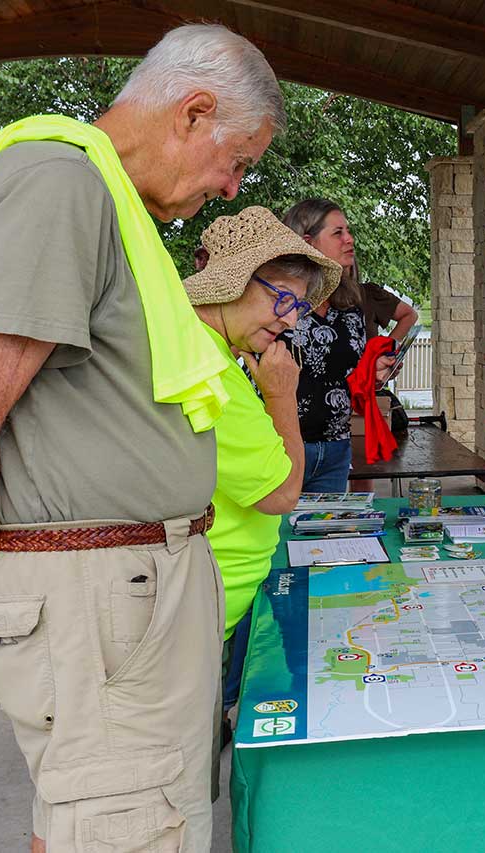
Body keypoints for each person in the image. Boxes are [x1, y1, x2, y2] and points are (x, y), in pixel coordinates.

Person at [0, 24, 286, 853]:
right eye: (237, 160)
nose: (228, 186)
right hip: (108, 591)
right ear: (193, 112)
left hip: (124, 585)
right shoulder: (62, 185)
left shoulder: (96, 196)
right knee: (124, 828)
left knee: (121, 820)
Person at [184, 206, 340, 741]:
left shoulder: (212, 351)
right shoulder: (209, 369)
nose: (291, 320)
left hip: (206, 607)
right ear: (231, 281)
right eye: (283, 300)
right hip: (193, 616)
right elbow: (280, 492)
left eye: (298, 306)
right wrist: (280, 395)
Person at [282, 198, 395, 492]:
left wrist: (376, 371)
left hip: (335, 450)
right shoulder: (278, 301)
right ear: (307, 242)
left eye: (348, 230)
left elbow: (352, 374)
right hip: (279, 447)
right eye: (338, 233)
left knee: (322, 537)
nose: (349, 239)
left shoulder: (350, 304)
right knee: (277, 537)